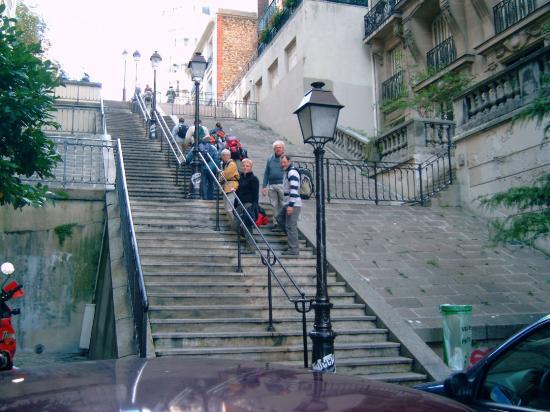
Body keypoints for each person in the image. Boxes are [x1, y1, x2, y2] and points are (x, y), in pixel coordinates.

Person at [276, 155, 302, 256]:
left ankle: (294, 249)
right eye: (281, 162)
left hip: (293, 203)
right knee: (280, 218)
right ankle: (293, 240)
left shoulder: (292, 172)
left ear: (289, 161)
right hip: (288, 202)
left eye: (284, 162)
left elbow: (294, 189)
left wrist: (291, 205)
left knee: (291, 226)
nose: (282, 164)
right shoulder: (287, 172)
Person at [185, 135, 219, 200]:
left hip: (201, 167)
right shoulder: (213, 148)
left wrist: (187, 162)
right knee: (211, 183)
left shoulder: (197, 147)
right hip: (212, 168)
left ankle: (204, 197)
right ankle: (210, 197)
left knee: (203, 182)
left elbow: (189, 157)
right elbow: (216, 159)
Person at [261, 140, 285, 231]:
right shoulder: (270, 158)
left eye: (280, 147)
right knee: (274, 205)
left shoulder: (285, 158)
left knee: (283, 204)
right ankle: (276, 223)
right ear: (274, 149)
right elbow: (266, 172)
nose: (278, 149)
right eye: (276, 148)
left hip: (282, 184)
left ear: (283, 149)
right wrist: (264, 186)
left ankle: (283, 223)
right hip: (272, 185)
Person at [235, 158, 260, 229]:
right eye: (244, 166)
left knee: (246, 226)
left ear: (251, 167)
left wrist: (255, 206)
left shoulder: (254, 179)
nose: (245, 167)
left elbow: (255, 194)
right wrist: (235, 204)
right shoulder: (241, 178)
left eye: (247, 166)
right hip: (240, 204)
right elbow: (238, 191)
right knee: (236, 226)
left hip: (248, 204)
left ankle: (250, 240)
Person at [218, 149, 240, 216]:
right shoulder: (226, 165)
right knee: (227, 209)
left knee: (229, 209)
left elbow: (226, 175)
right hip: (227, 187)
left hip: (231, 186)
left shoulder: (232, 164)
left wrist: (221, 173)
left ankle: (234, 224)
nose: (222, 157)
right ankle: (233, 224)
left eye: (222, 156)